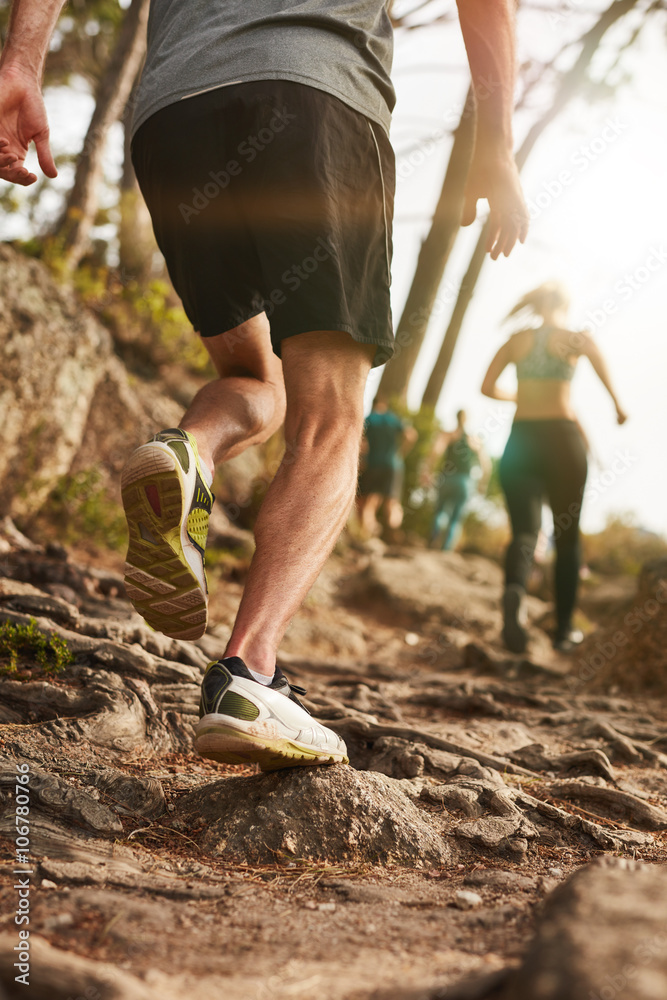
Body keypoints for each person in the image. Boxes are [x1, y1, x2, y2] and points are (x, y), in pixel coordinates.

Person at [0, 0, 529, 771]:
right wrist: (497, 143)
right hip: (314, 96)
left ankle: (193, 451)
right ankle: (249, 673)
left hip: (175, 118)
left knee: (255, 377)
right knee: (329, 417)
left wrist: (20, 63)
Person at [481, 282, 627, 654]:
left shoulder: (517, 340)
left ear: (538, 305)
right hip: (563, 439)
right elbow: (601, 369)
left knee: (525, 533)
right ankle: (564, 631)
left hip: (522, 438)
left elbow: (486, 387)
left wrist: (521, 394)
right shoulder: (576, 338)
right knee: (567, 535)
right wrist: (617, 406)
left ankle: (515, 591)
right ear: (565, 305)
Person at [426, 409, 488, 550]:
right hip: (465, 482)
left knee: (440, 512)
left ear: (456, 418)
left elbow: (435, 452)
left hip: (446, 478)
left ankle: (433, 542)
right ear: (466, 419)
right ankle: (445, 550)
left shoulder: (448, 435)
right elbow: (486, 464)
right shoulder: (474, 439)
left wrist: (428, 471)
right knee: (456, 518)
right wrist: (482, 484)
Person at [357, 398, 417, 537]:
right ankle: (393, 533)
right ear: (384, 404)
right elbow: (411, 435)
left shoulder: (370, 419)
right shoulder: (393, 418)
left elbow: (361, 442)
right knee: (391, 502)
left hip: (373, 465)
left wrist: (362, 460)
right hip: (392, 465)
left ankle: (365, 534)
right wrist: (401, 453)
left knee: (368, 502)